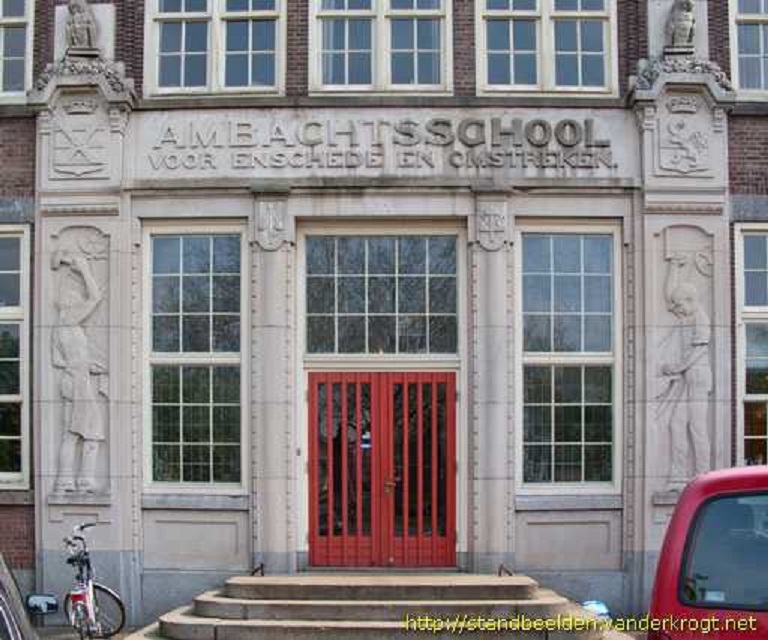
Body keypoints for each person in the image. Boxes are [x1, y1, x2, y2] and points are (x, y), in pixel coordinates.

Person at [52, 252, 107, 494]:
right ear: (69, 300)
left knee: (71, 433)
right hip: (77, 384)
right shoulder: (69, 318)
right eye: (75, 295)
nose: (79, 297)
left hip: (72, 380)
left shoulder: (62, 325)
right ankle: (83, 480)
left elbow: (59, 359)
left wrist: (88, 365)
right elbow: (95, 297)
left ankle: (66, 481)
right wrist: (84, 269)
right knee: (91, 432)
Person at [657, 255, 712, 491]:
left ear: (690, 301)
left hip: (698, 378)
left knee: (697, 428)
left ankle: (704, 477)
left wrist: (677, 368)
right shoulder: (686, 313)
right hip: (688, 378)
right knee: (676, 424)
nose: (676, 309)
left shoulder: (700, 318)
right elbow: (670, 296)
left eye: (680, 306)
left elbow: (699, 352)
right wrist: (673, 269)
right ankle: (679, 478)